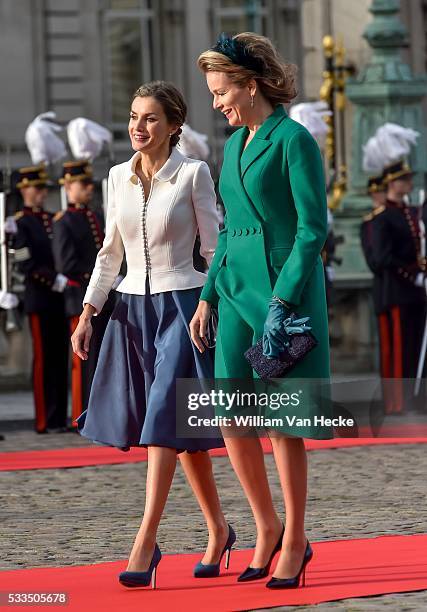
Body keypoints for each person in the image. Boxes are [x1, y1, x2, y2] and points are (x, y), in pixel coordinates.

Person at [71, 81, 232, 589]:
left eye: (151, 119)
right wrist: (88, 313)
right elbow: (110, 254)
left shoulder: (193, 173)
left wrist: (212, 302)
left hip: (185, 308)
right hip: (130, 314)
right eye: (135, 117)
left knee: (163, 420)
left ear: (173, 125)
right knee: (182, 438)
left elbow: (215, 247)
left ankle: (145, 542)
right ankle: (219, 529)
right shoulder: (116, 176)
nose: (138, 128)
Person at [191, 32, 332, 590]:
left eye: (222, 91)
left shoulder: (294, 140)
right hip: (232, 293)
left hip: (282, 294)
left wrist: (282, 298)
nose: (217, 102)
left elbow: (312, 227)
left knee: (281, 425)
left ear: (251, 86)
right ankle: (266, 526)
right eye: (213, 93)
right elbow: (228, 229)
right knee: (231, 416)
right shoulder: (235, 145)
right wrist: (205, 297)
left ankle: (295, 539)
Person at [52, 161, 116, 424]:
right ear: (68, 187)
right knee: (83, 359)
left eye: (90, 184)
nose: (89, 189)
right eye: (83, 184)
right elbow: (65, 264)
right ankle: (81, 413)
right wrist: (96, 278)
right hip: (80, 298)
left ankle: (100, 410)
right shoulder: (64, 221)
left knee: (102, 356)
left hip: (105, 296)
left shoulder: (95, 217)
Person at [12, 165, 69, 433]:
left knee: (59, 360)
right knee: (44, 361)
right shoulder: (20, 223)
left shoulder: (51, 219)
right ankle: (44, 419)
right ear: (24, 190)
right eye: (36, 188)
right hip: (40, 298)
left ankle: (59, 416)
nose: (41, 193)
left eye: (43, 189)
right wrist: (51, 279)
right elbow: (25, 263)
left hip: (59, 300)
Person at [371, 160, 427, 412]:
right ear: (392, 183)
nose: (409, 183)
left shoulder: (413, 213)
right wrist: (411, 274)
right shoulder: (383, 218)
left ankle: (414, 397)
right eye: (404, 179)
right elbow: (382, 258)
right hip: (395, 291)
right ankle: (396, 403)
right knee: (398, 349)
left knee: (414, 346)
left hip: (416, 291)